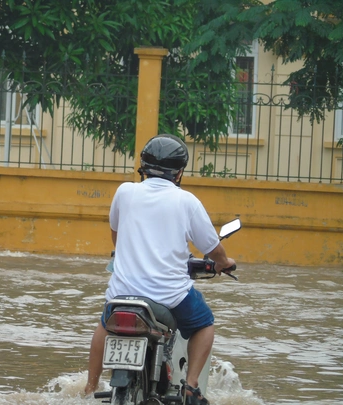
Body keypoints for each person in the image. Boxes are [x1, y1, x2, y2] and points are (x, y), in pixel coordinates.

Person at [84, 134, 236, 404]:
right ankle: (190, 388)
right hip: (169, 296)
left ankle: (88, 389)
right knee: (204, 324)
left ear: (143, 166)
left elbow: (117, 239)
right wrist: (224, 263)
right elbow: (213, 248)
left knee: (104, 324)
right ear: (179, 172)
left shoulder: (125, 192)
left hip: (123, 293)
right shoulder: (187, 201)